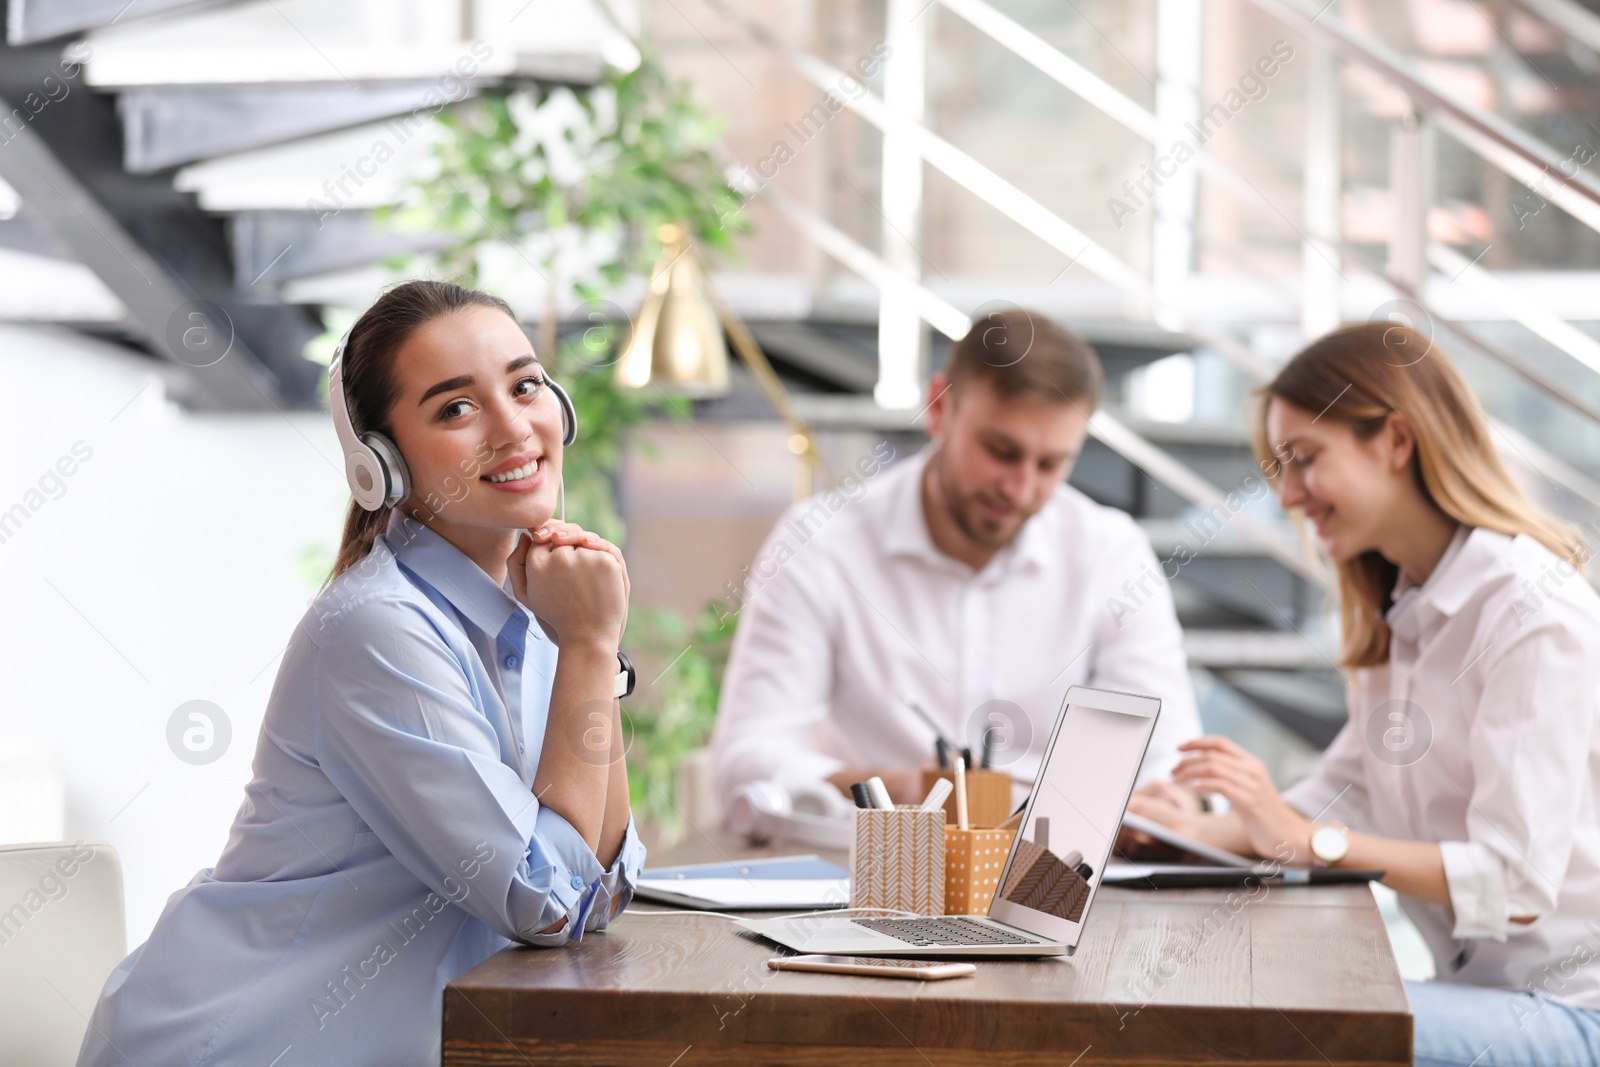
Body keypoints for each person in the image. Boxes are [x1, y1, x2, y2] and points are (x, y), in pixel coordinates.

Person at [77, 281, 644, 1067]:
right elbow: (549, 902)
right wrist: (590, 648)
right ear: (381, 464)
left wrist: (590, 645)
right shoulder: (378, 630)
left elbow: (603, 886)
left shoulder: (537, 601)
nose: (514, 427)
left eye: (524, 385)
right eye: (455, 408)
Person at [1130, 322, 1600, 1066]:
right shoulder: (1402, 608)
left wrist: (1298, 835)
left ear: (1397, 440)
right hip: (1480, 993)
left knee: (1274, 1031)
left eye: (1304, 460)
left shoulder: (1531, 611)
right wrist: (1179, 833)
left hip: (1571, 1011)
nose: (1287, 495)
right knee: (1218, 1002)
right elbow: (1343, 796)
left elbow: (1515, 881)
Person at [710, 309, 1202, 808]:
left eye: (1050, 464)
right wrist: (909, 793)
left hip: (1056, 872)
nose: (1021, 488)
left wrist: (1175, 805)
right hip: (869, 867)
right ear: (938, 408)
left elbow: (1168, 759)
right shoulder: (820, 543)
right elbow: (746, 760)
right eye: (1001, 451)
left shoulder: (1111, 554)